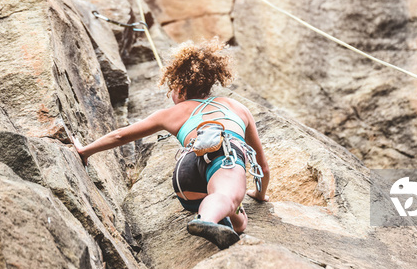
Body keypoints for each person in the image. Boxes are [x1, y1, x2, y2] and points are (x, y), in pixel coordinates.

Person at [74, 38, 270, 249]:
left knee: (239, 223)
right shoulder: (236, 107)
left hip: (186, 180)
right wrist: (260, 194)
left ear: (180, 86)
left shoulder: (169, 115)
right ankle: (206, 220)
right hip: (224, 158)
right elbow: (263, 167)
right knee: (226, 197)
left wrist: (85, 151)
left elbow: (121, 136)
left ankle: (216, 213)